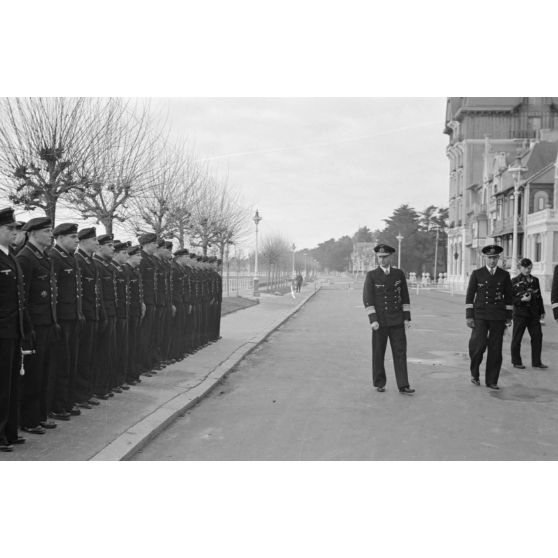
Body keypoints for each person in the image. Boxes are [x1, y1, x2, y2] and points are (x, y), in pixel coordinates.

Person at [17, 217, 58, 434]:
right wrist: (28, 328)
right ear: (33, 233)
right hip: (34, 324)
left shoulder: (42, 257)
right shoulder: (25, 258)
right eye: (47, 231)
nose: (51, 235)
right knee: (32, 374)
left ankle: (40, 415)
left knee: (44, 372)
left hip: (46, 322)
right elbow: (22, 298)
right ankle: (29, 419)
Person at [362, 243, 414, 395]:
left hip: (397, 320)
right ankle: (379, 383)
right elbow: (367, 298)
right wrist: (373, 320)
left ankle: (403, 385)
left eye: (385, 257)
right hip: (380, 322)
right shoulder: (371, 275)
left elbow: (405, 297)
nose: (382, 260)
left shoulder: (399, 274)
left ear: (390, 257)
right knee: (378, 353)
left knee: (400, 352)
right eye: (379, 257)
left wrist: (406, 318)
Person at [0, 208, 28, 451]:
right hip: (1, 331)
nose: (14, 233)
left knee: (11, 384)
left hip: (13, 330)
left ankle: (9, 431)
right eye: (9, 229)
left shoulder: (11, 255)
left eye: (16, 229)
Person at [465, 245, 513, 389]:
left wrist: (508, 317)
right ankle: (474, 373)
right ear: (484, 258)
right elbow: (469, 296)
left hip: (498, 316)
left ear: (498, 258)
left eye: (495, 258)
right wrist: (469, 316)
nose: (492, 261)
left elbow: (509, 298)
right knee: (478, 346)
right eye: (490, 258)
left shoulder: (504, 275)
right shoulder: (477, 274)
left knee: (495, 349)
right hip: (480, 315)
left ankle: (492, 381)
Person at [49, 223, 83, 421]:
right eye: (72, 237)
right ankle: (58, 405)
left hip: (73, 317)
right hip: (62, 318)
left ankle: (67, 402)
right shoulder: (55, 257)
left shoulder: (70, 257)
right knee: (61, 364)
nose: (76, 240)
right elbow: (54, 292)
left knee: (70, 362)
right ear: (60, 238)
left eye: (77, 237)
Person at [511, 258, 547, 369]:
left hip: (533, 314)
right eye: (525, 268)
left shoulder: (535, 280)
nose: (527, 270)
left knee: (537, 337)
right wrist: (521, 300)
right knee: (517, 338)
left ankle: (536, 362)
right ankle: (516, 362)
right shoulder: (514, 281)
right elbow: (510, 299)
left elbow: (539, 296)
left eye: (529, 268)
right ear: (520, 267)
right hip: (520, 314)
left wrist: (542, 311)